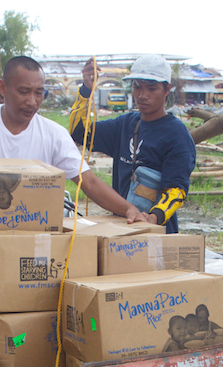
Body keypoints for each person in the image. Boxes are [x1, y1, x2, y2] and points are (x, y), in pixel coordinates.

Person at [0, 56, 151, 224]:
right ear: (3, 88)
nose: (32, 101)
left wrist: (129, 209)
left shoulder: (53, 133)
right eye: (24, 91)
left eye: (39, 93)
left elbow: (88, 182)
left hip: (35, 231)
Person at [69, 55, 196, 233]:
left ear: (166, 89)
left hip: (157, 232)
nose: (143, 95)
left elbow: (176, 190)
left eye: (152, 89)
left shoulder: (176, 135)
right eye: (137, 87)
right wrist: (86, 91)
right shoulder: (124, 125)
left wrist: (153, 218)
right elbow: (79, 133)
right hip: (121, 227)